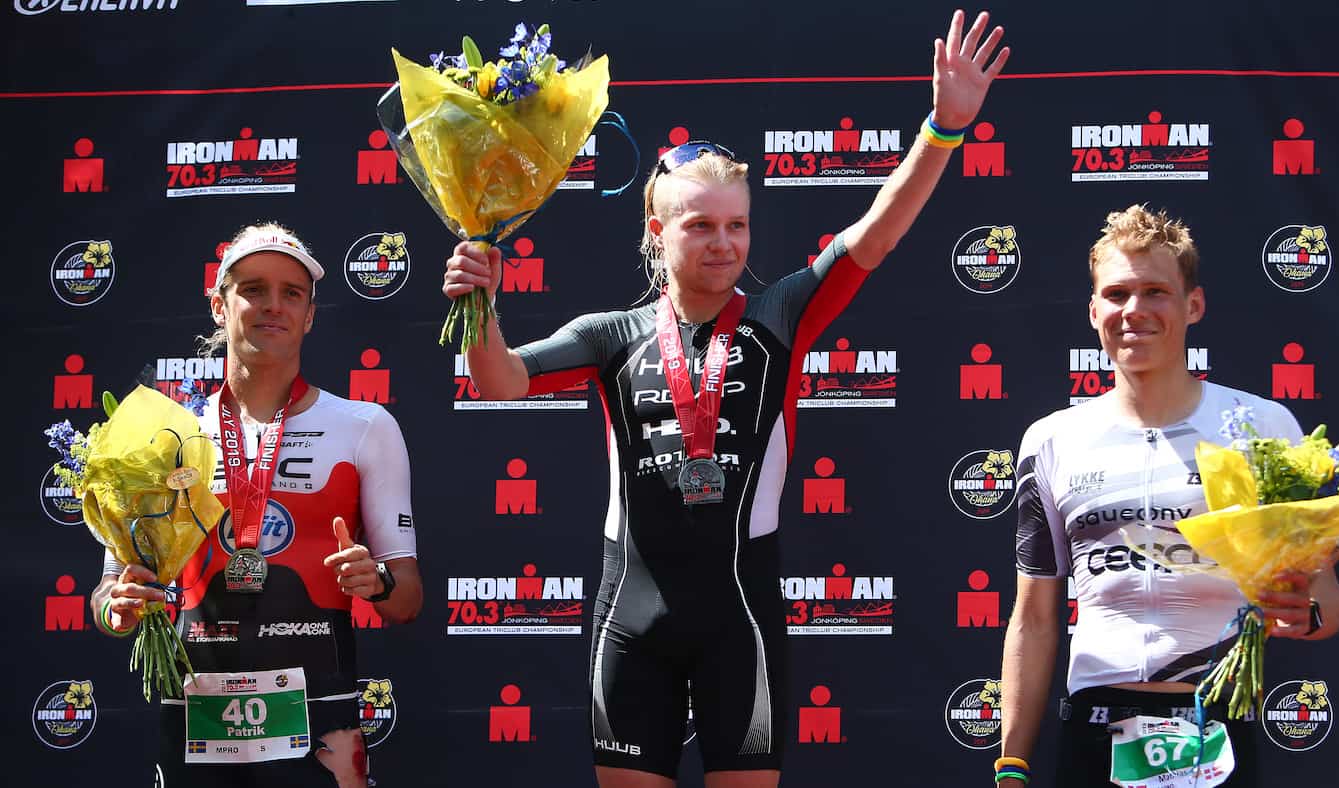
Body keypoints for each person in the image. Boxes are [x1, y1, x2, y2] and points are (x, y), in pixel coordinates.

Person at [442, 10, 1008, 787]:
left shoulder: (780, 316)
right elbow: (498, 380)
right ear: (658, 230)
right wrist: (478, 301)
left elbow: (875, 235)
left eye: (737, 225)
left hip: (740, 619)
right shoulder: (610, 336)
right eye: (701, 225)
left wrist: (943, 130)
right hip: (630, 617)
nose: (723, 242)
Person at [997, 205, 1339, 787]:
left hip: (1218, 722)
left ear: (1194, 305)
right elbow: (1033, 618)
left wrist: (1302, 612)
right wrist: (1011, 763)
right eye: (1117, 294)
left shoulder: (1262, 427)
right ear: (1094, 311)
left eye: (1155, 291)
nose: (1134, 310)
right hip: (1093, 727)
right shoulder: (1052, 439)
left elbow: (1328, 602)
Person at [90, 222, 424, 788]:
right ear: (219, 306)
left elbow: (407, 600)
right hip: (195, 718)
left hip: (320, 722)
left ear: (310, 315)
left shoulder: (365, 427)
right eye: (253, 289)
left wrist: (379, 581)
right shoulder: (162, 436)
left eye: (291, 293)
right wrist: (116, 607)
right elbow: (106, 591)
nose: (273, 305)